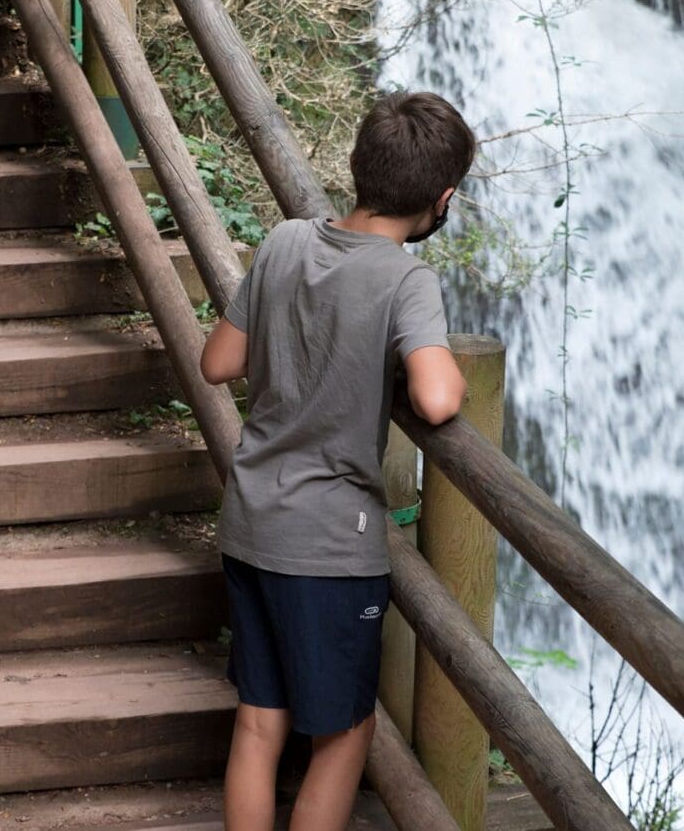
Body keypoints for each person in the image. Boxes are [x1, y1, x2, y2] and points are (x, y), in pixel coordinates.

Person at [199, 90, 476, 831]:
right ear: (443, 199)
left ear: (359, 168)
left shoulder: (286, 242)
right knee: (346, 732)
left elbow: (219, 361)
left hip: (252, 522)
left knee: (260, 723)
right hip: (327, 547)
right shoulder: (405, 280)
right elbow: (440, 398)